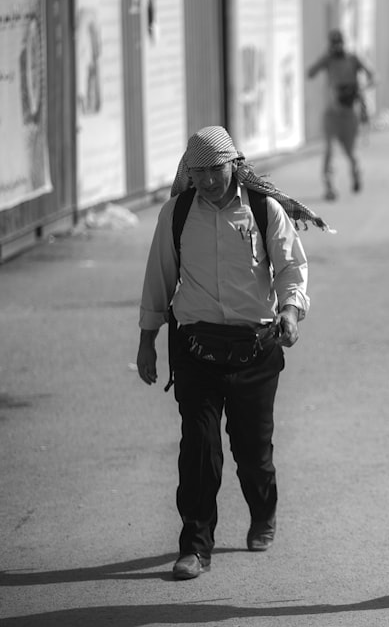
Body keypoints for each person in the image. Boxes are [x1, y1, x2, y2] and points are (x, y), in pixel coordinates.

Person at [136, 126, 329, 581]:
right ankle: (195, 545)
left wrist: (290, 312)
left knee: (252, 450)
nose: (207, 181)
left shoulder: (265, 210)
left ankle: (263, 512)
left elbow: (290, 268)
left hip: (255, 350)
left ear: (235, 166)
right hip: (195, 347)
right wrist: (147, 340)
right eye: (197, 172)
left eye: (215, 170)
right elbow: (159, 276)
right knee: (199, 448)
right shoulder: (178, 213)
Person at [307, 29, 375, 201]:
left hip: (349, 114)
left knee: (350, 152)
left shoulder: (353, 59)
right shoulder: (328, 59)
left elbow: (373, 75)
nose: (337, 47)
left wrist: (359, 90)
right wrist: (324, 58)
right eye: (334, 43)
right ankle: (330, 187)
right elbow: (310, 73)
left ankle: (356, 173)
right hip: (332, 113)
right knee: (329, 150)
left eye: (340, 43)